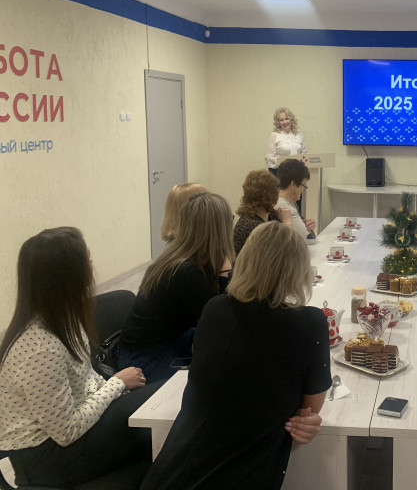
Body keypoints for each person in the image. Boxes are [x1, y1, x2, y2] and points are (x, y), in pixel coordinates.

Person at [139, 221, 330, 489]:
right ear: (299, 270)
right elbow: (309, 409)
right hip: (243, 476)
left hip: (171, 473)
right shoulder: (310, 322)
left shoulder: (214, 308)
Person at [0, 227, 161, 488]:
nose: (91, 262)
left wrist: (116, 390)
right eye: (85, 258)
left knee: (158, 409)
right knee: (160, 407)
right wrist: (117, 384)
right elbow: (67, 431)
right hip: (46, 459)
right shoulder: (39, 350)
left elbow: (85, 382)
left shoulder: (64, 319)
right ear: (66, 275)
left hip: (68, 436)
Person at [118, 192, 235, 382]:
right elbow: (220, 317)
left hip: (169, 337)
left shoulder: (185, 256)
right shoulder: (185, 270)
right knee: (225, 362)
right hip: (144, 356)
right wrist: (224, 272)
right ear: (218, 228)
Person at [233, 169, 292, 255]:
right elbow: (284, 253)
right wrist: (287, 223)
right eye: (276, 189)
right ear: (270, 196)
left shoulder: (269, 216)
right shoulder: (251, 225)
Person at [277, 158, 317, 244]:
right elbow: (309, 240)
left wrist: (304, 224)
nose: (303, 190)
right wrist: (310, 231)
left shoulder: (287, 202)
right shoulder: (285, 207)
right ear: (293, 184)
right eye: (303, 186)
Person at [265, 107, 308, 173]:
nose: (284, 122)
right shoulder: (274, 135)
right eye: (281, 120)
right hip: (280, 172)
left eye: (287, 119)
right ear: (278, 122)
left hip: (298, 172)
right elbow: (269, 158)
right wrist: (284, 162)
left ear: (291, 120)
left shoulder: (299, 135)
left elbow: (305, 155)